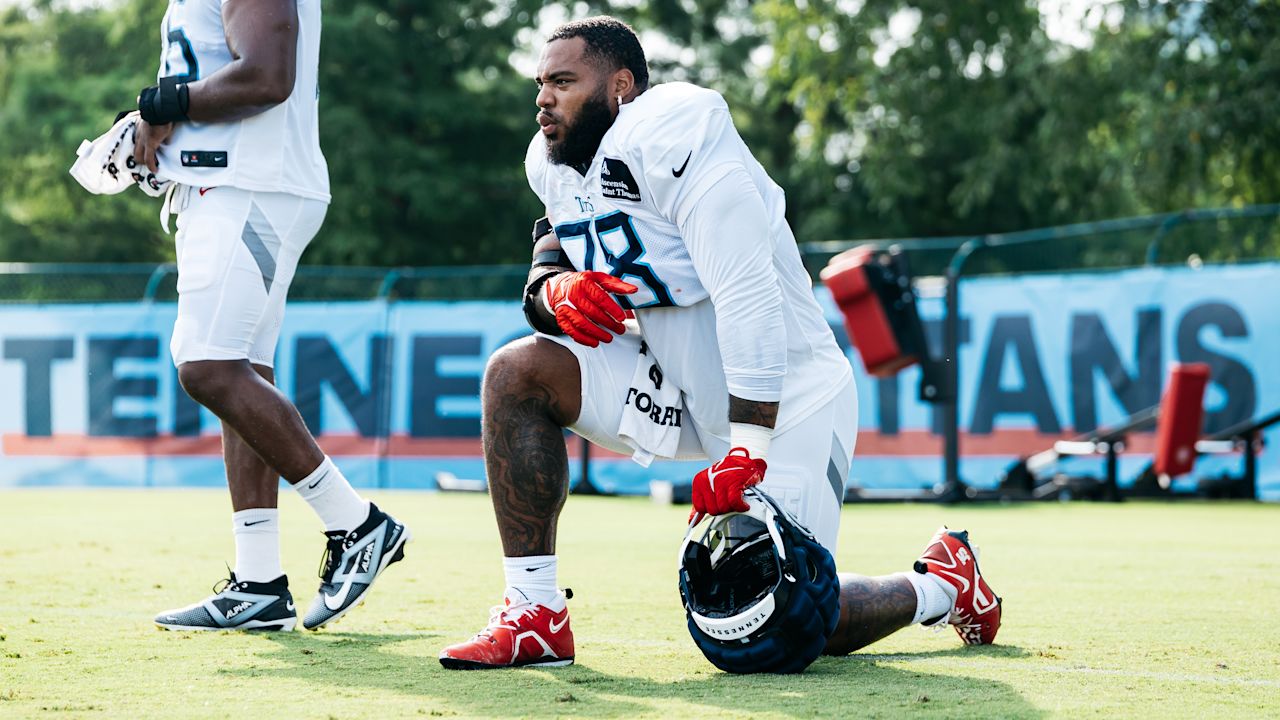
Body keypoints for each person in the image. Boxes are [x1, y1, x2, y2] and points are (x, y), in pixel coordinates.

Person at [438, 15, 1001, 669]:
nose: (543, 97)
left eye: (563, 81)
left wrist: (747, 452)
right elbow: (547, 263)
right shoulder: (553, 160)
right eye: (540, 82)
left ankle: (941, 584)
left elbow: (746, 294)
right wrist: (557, 291)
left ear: (620, 87)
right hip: (670, 382)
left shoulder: (679, 129)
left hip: (785, 397)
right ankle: (534, 612)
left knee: (781, 622)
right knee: (515, 374)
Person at [137, 0, 409, 632]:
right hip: (234, 185)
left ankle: (358, 524)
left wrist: (159, 105)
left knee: (205, 367)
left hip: (250, 186)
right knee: (240, 376)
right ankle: (258, 583)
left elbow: (266, 75)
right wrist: (147, 119)